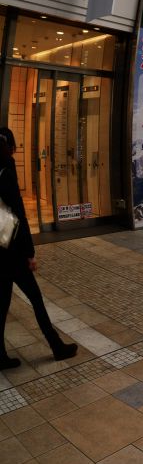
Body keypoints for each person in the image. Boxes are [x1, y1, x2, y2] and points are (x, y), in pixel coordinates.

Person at [0, 128, 77, 367]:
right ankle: (56, 347)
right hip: (12, 252)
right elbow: (19, 215)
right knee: (36, 299)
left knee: (2, 305)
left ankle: (0, 356)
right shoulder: (7, 170)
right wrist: (30, 253)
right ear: (10, 147)